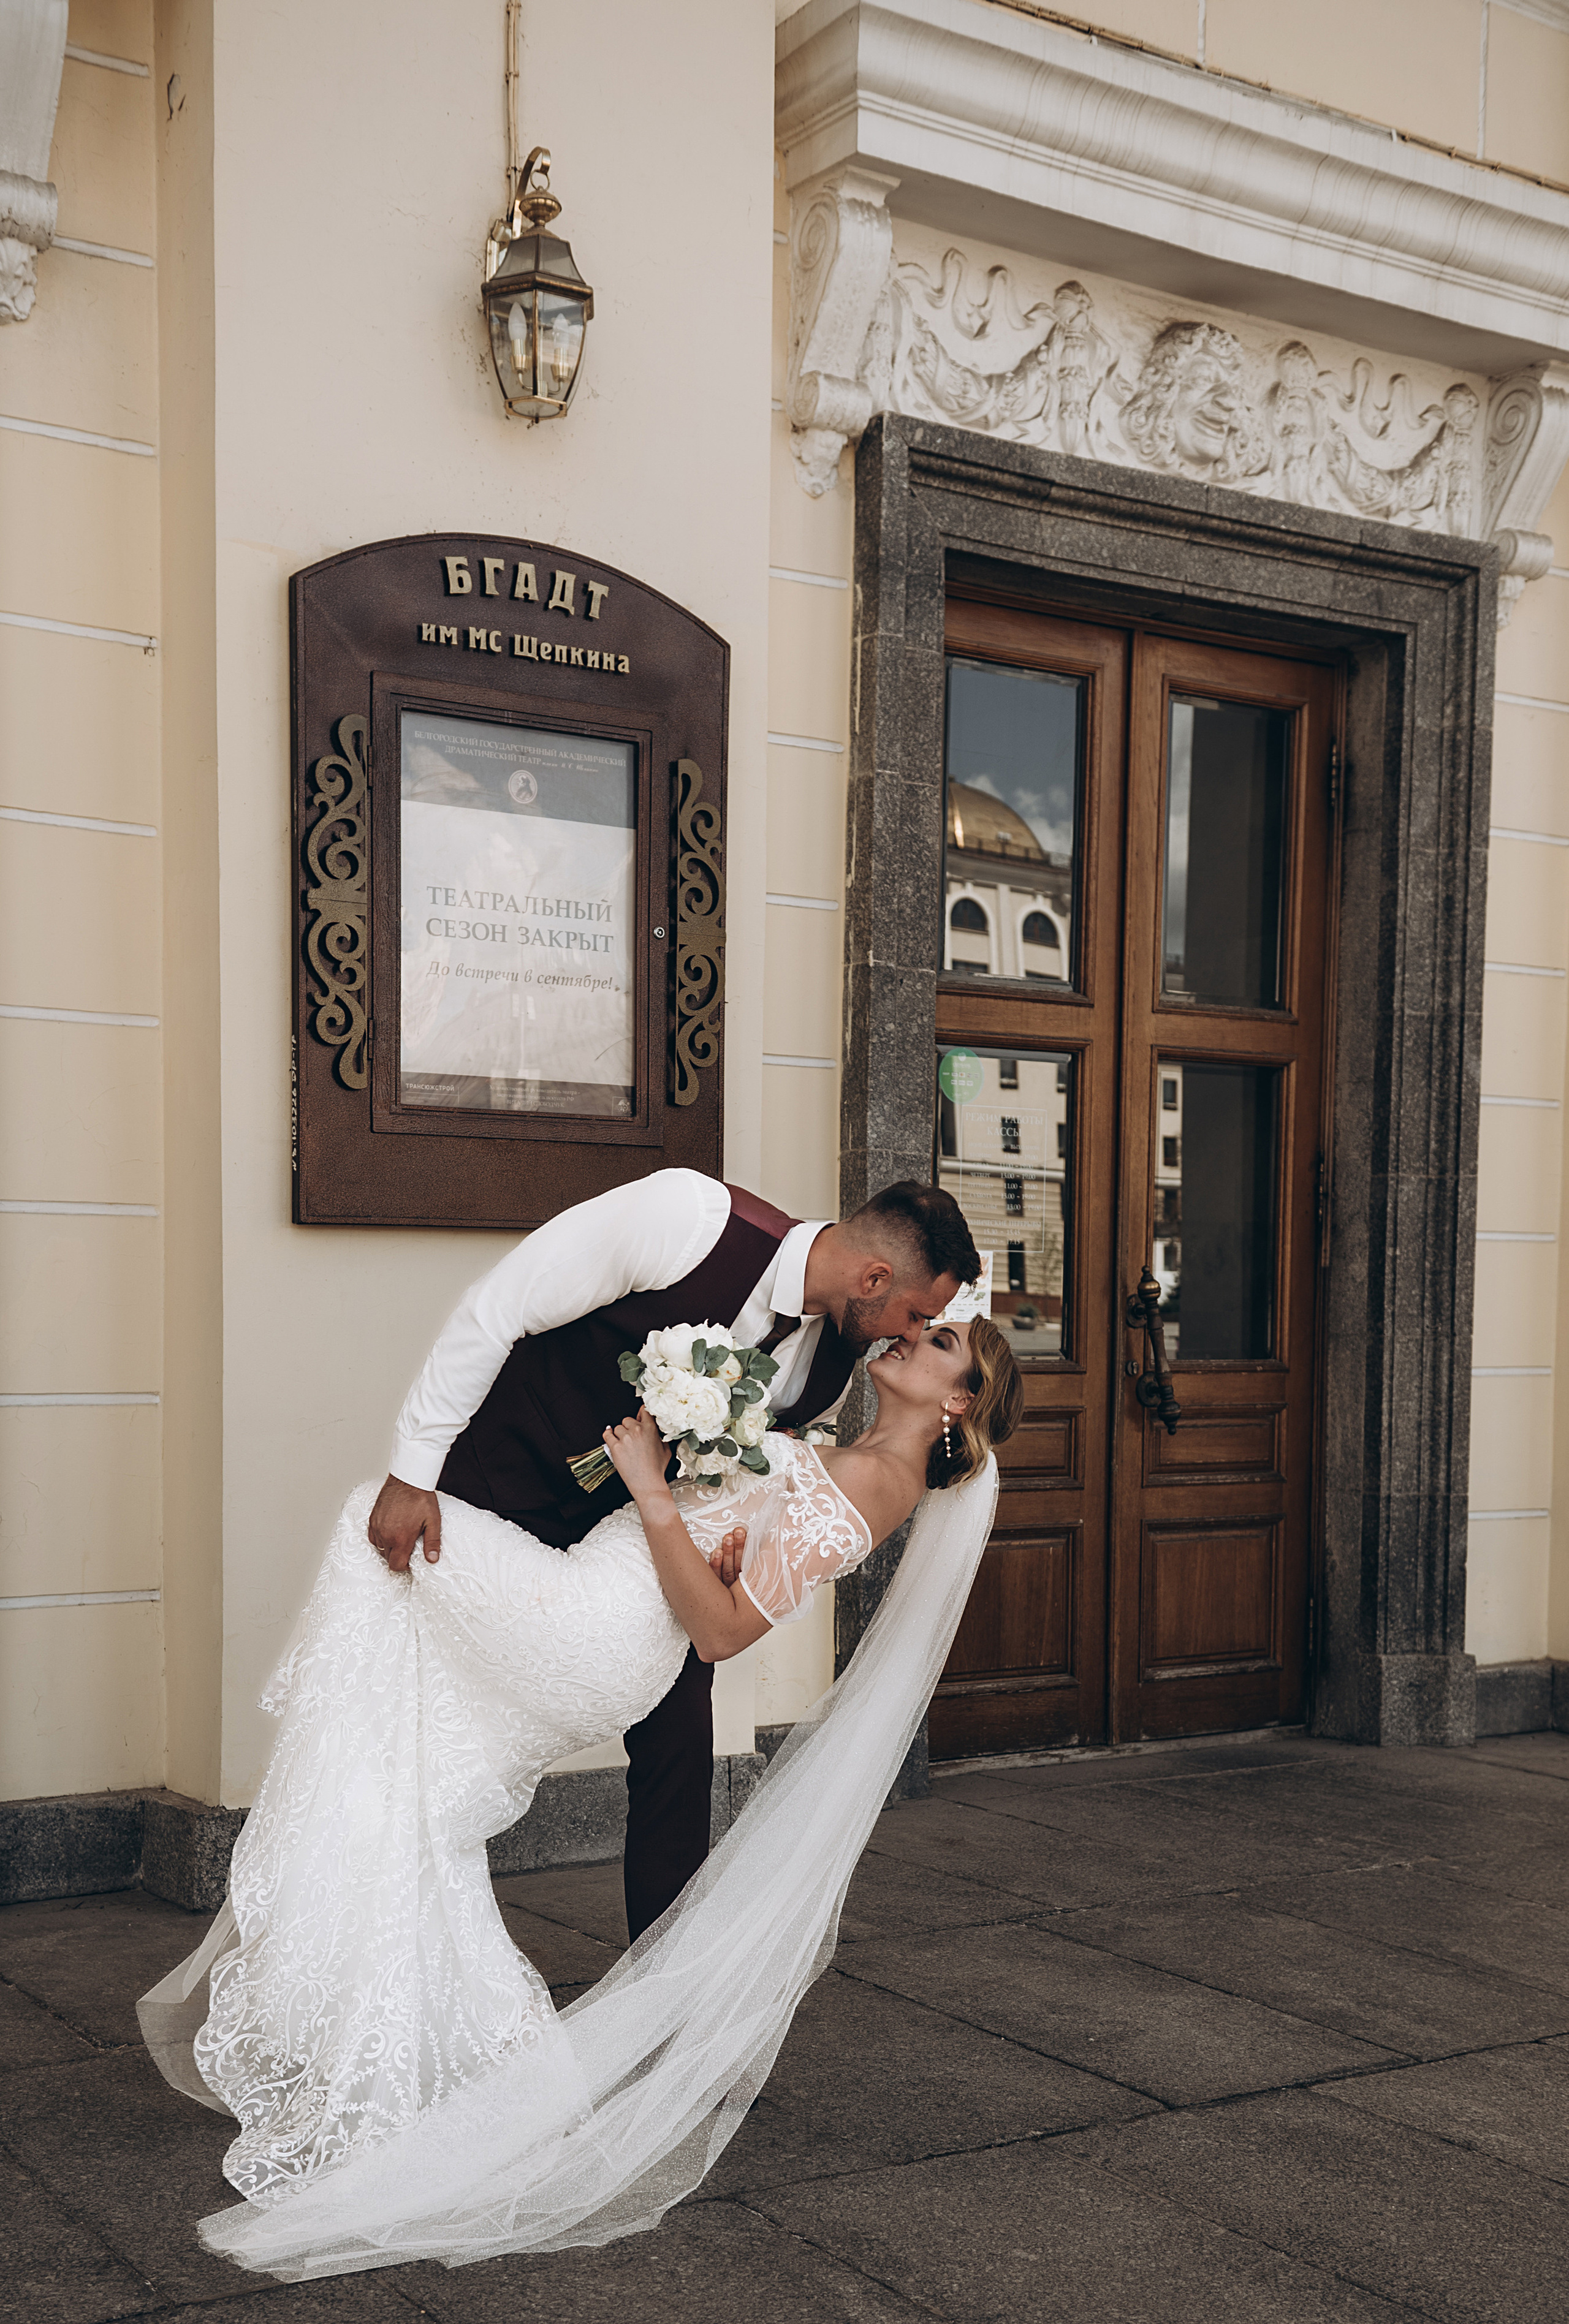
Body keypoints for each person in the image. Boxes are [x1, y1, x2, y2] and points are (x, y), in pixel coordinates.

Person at [139, 1306, 1024, 2281]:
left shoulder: (880, 1481)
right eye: (925, 1324)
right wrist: (702, 1523)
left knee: (375, 1517)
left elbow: (723, 1635)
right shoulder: (846, 1450)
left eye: (942, 1343)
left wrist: (652, 1489)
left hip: (598, 1622)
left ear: (960, 1401)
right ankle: (395, 2031)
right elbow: (732, 1572)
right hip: (599, 1596)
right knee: (420, 1791)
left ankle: (346, 1962)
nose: (913, 1333)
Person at [365, 1170, 980, 1941]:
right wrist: (412, 1471)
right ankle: (402, 1922)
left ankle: (659, 1982)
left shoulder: (828, 1374)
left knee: (681, 1745)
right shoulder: (688, 1217)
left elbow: (727, 1479)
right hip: (498, 1480)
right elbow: (501, 1305)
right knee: (434, 1709)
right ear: (874, 1277)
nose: (909, 1333)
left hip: (632, 1553)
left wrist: (725, 1550)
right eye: (916, 1312)